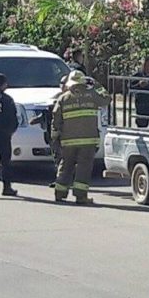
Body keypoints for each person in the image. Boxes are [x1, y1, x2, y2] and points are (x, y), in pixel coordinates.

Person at [51, 70, 111, 204]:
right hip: (88, 140)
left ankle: (60, 193)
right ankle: (80, 196)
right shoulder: (92, 95)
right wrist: (96, 85)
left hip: (68, 141)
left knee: (65, 166)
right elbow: (107, 99)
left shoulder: (63, 98)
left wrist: (55, 137)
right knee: (84, 167)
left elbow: (56, 120)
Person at [30, 76, 68, 176]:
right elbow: (46, 113)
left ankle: (65, 178)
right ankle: (60, 178)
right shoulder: (56, 97)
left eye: (65, 83)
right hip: (55, 135)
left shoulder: (72, 98)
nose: (63, 86)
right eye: (62, 83)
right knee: (58, 157)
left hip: (69, 134)